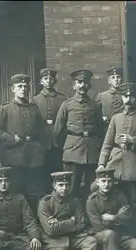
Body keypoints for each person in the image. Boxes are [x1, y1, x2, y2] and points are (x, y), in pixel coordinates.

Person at [97, 82, 136, 240]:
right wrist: (102, 164)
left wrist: (133, 140)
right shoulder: (116, 118)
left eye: (131, 96)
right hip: (117, 168)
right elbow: (107, 144)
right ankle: (120, 234)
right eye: (126, 96)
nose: (128, 99)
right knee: (118, 202)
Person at [0, 74, 51, 212]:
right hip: (15, 157)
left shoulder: (34, 108)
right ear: (13, 89)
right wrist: (12, 139)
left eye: (25, 86)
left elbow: (43, 132)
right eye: (20, 86)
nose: (23, 89)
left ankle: (34, 222)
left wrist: (41, 149)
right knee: (17, 191)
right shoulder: (5, 109)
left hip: (34, 157)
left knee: (34, 191)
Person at [38, 171, 102, 250]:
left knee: (91, 241)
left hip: (73, 237)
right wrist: (71, 221)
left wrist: (59, 224)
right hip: (53, 241)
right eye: (61, 185)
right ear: (54, 186)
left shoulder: (74, 201)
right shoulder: (45, 203)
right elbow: (50, 230)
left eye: (67, 185)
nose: (65, 188)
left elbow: (81, 224)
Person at [53, 69, 105, 202]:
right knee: (71, 186)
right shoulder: (67, 105)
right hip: (73, 151)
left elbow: (100, 130)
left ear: (89, 85)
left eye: (85, 82)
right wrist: (67, 147)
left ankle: (89, 216)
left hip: (92, 151)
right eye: (79, 82)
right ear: (74, 85)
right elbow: (58, 131)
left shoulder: (95, 106)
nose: (82, 85)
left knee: (91, 187)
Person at [32, 68, 68, 188]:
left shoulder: (62, 99)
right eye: (45, 79)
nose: (48, 81)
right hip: (42, 140)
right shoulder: (35, 100)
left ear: (55, 81)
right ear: (41, 82)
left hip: (58, 140)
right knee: (42, 171)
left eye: (51, 79)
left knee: (58, 169)